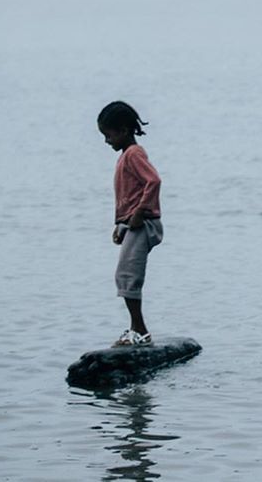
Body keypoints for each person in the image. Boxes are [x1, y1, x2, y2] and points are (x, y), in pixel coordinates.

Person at [97, 101, 163, 347]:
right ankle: (137, 328)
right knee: (124, 276)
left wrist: (138, 214)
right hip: (133, 223)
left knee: (128, 276)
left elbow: (153, 181)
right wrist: (120, 224)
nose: (107, 141)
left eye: (108, 135)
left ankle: (141, 332)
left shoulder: (134, 154)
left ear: (124, 131)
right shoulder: (127, 155)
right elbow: (129, 193)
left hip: (143, 223)